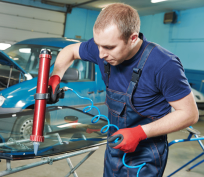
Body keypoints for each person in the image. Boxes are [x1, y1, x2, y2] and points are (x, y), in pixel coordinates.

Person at [47, 3, 199, 177]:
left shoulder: (164, 64)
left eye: (110, 48)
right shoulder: (103, 47)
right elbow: (70, 50)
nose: (101, 54)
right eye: (98, 45)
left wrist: (140, 133)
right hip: (114, 146)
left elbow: (189, 114)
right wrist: (55, 76)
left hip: (146, 154)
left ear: (133, 38)